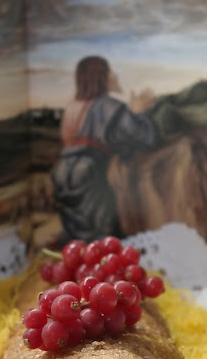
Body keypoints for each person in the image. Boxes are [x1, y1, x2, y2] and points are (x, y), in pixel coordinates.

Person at [51, 56, 160, 242]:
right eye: (110, 71)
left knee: (79, 238)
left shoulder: (71, 107)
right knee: (103, 236)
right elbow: (146, 138)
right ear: (100, 76)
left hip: (61, 175)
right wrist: (138, 112)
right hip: (90, 172)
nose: (115, 75)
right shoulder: (106, 105)